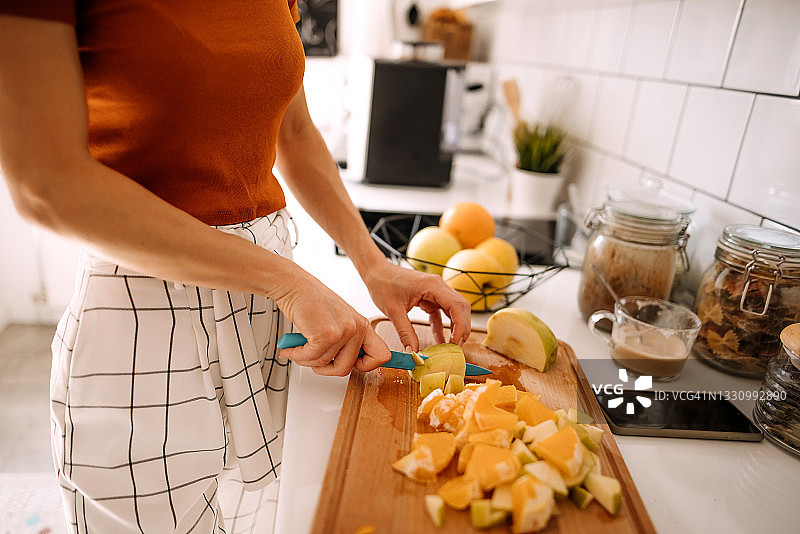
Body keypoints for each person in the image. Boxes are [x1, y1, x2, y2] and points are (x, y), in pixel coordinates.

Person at [0, 2, 472, 532]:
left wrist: (372, 262)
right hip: (146, 308)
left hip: (266, 306)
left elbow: (293, 131)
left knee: (269, 516)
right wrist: (286, 282)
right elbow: (45, 185)